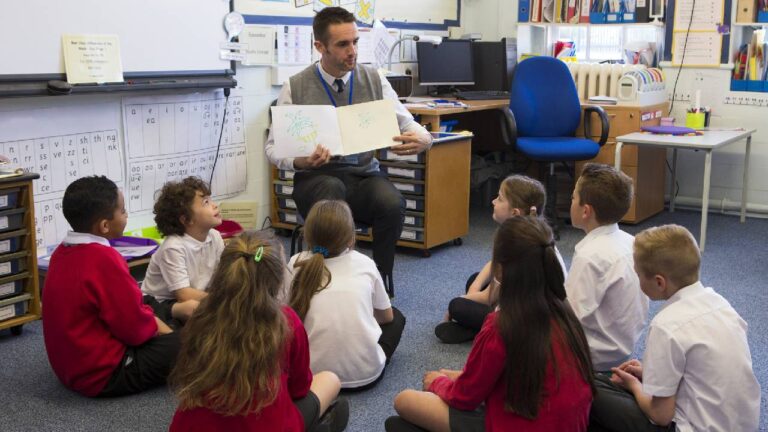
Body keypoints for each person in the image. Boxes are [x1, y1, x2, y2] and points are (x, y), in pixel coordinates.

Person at [264, 6, 433, 292]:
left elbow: (406, 120)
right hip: (316, 179)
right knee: (332, 192)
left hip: (364, 176)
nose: (352, 50)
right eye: (343, 44)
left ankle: (379, 282)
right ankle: (326, 284)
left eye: (355, 41)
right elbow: (272, 149)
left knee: (392, 203)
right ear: (320, 46)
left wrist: (424, 138)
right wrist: (301, 161)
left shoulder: (374, 79)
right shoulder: (295, 86)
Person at [386, 217, 595, 432]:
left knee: (404, 401)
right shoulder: (566, 314)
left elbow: (464, 398)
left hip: (517, 423)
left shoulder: (502, 324)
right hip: (562, 422)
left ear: (500, 269)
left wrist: (437, 382)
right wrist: (459, 377)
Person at [169, 230, 349, 432]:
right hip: (267, 424)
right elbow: (299, 389)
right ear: (278, 280)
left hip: (190, 426)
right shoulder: (287, 321)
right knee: (330, 380)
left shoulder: (201, 315)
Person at [588, 224, 761, 432]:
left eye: (639, 275)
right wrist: (650, 374)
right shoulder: (722, 304)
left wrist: (635, 387)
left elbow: (660, 416)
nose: (637, 279)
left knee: (590, 388)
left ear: (659, 282)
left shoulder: (665, 325)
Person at [42, 176, 179, 397]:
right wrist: (169, 335)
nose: (126, 215)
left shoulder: (62, 250)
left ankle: (173, 318)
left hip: (70, 366)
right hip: (103, 375)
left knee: (147, 300)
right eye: (123, 211)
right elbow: (134, 330)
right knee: (188, 344)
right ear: (105, 225)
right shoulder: (104, 259)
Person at [287, 200, 406, 390]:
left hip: (308, 374)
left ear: (307, 235)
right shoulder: (365, 263)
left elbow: (284, 313)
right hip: (365, 376)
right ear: (351, 238)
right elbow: (386, 317)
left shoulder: (296, 262)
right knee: (397, 317)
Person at [435, 174, 567, 344]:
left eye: (499, 198)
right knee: (474, 279)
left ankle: (482, 332)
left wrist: (456, 304)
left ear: (514, 212)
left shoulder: (517, 246)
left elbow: (487, 297)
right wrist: (474, 288)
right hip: (532, 310)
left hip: (524, 324)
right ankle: (476, 329)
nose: (493, 201)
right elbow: (494, 265)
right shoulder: (534, 232)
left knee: (457, 305)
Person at [567, 163, 648, 371]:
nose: (571, 201)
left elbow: (569, 319)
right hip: (621, 349)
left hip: (589, 358)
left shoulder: (589, 256)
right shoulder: (632, 242)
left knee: (508, 317)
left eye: (573, 198)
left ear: (586, 211)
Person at [141, 176, 225, 323]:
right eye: (206, 202)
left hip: (196, 298)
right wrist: (225, 300)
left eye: (210, 200)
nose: (214, 205)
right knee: (197, 309)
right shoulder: (173, 247)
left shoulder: (215, 236)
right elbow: (184, 295)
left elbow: (223, 276)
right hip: (162, 306)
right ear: (186, 219)